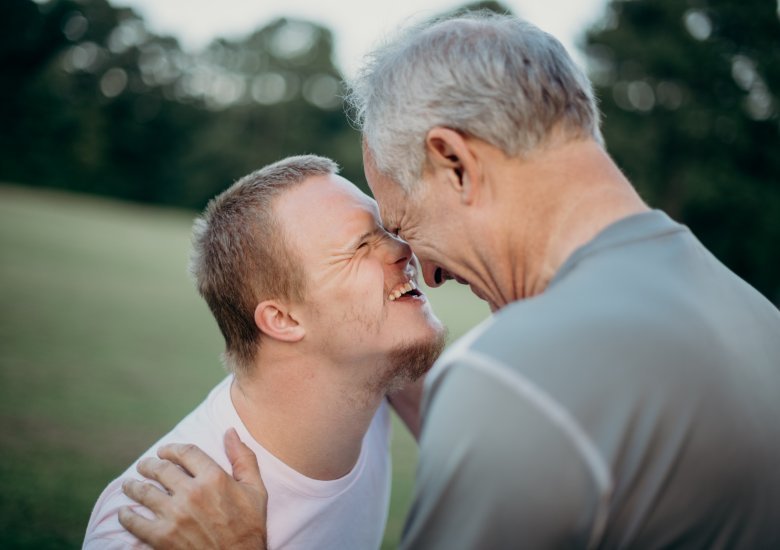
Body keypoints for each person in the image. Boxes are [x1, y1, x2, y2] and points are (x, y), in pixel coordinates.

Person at [120, 13, 780, 549]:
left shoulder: (517, 379)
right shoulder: (751, 313)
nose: (425, 268)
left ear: (455, 163)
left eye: (404, 222)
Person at [84, 155, 445, 549]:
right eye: (361, 246)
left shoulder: (373, 369)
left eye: (387, 228)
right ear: (282, 319)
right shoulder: (156, 524)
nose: (403, 248)